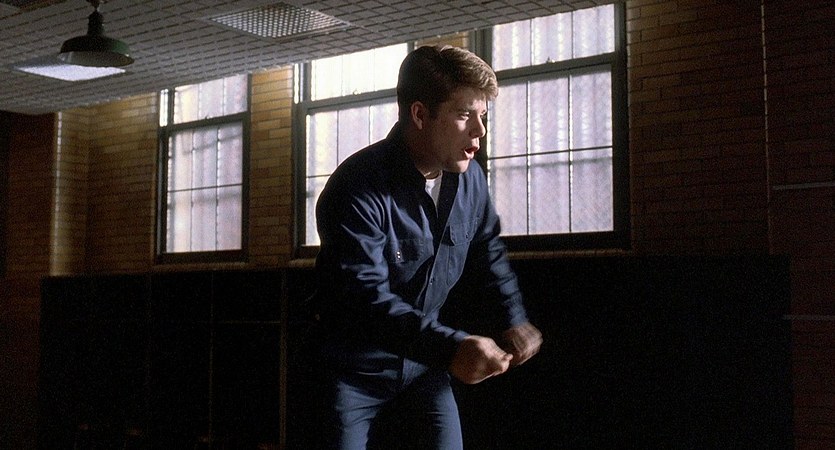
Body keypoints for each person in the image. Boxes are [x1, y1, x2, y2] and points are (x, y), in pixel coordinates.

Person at [310, 44, 543, 449]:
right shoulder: (357, 188)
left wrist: (513, 318)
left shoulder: (470, 180)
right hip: (352, 372)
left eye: (483, 115)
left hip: (423, 367)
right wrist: (451, 348)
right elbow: (366, 298)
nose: (480, 131)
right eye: (464, 114)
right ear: (420, 115)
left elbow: (488, 251)